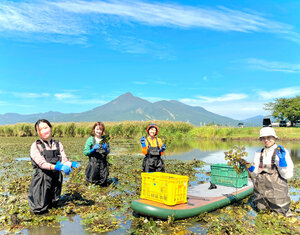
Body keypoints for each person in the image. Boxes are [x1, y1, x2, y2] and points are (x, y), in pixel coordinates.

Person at [28, 119, 80, 214]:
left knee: (53, 206)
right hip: (42, 180)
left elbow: (63, 160)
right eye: (40, 129)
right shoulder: (35, 146)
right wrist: (56, 167)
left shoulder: (58, 144)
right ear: (37, 132)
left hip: (56, 179)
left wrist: (71, 164)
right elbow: (41, 163)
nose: (44, 131)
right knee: (40, 208)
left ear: (50, 128)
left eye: (45, 127)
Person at [248, 127, 294, 216]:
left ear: (275, 138)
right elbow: (255, 174)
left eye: (269, 137)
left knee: (281, 214)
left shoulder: (281, 152)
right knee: (261, 213)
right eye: (263, 138)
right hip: (261, 191)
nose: (266, 140)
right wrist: (252, 170)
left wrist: (282, 163)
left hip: (278, 192)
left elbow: (287, 175)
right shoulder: (258, 152)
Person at [83, 122, 110, 186]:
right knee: (92, 185)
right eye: (97, 129)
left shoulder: (105, 140)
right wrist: (92, 150)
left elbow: (108, 151)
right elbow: (85, 152)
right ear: (94, 130)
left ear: (103, 130)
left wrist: (106, 149)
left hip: (103, 166)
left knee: (103, 185)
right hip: (93, 166)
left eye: (100, 129)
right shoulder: (90, 140)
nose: (99, 131)